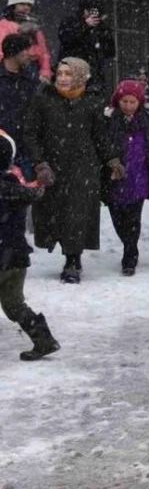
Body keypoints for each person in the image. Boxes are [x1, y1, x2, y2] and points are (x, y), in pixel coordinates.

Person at [23, 57, 124, 284]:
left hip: (82, 168)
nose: (62, 78)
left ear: (79, 76)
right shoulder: (44, 100)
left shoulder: (90, 102)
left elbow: (99, 136)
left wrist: (112, 160)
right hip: (52, 167)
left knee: (76, 215)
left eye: (68, 74)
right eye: (59, 73)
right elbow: (30, 133)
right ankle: (60, 248)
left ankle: (72, 260)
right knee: (53, 213)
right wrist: (40, 163)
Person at [0, 131, 58, 361]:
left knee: (14, 304)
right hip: (15, 258)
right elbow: (32, 194)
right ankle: (44, 341)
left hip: (3, 255)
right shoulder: (16, 185)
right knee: (14, 305)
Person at [103, 79, 149, 276]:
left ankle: (130, 255)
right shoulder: (109, 120)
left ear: (139, 103)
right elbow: (102, 145)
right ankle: (128, 243)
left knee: (133, 218)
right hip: (115, 179)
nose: (128, 106)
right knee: (117, 217)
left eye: (132, 102)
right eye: (124, 101)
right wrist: (111, 161)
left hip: (139, 178)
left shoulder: (147, 121)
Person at [57, 0, 115, 94]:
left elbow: (110, 52)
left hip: (94, 79)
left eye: (95, 10)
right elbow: (65, 39)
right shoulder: (71, 22)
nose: (91, 13)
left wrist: (102, 29)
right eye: (89, 10)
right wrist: (85, 26)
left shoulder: (101, 28)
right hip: (71, 76)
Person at [0, 34, 38, 174]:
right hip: (2, 146)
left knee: (26, 190)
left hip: (25, 148)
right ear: (14, 52)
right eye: (26, 50)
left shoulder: (31, 80)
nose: (30, 54)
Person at [0, 0, 50, 83]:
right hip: (10, 69)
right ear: (13, 5)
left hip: (32, 70)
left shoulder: (35, 27)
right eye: (22, 4)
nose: (26, 7)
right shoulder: (4, 25)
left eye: (29, 4)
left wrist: (45, 73)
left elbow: (44, 53)